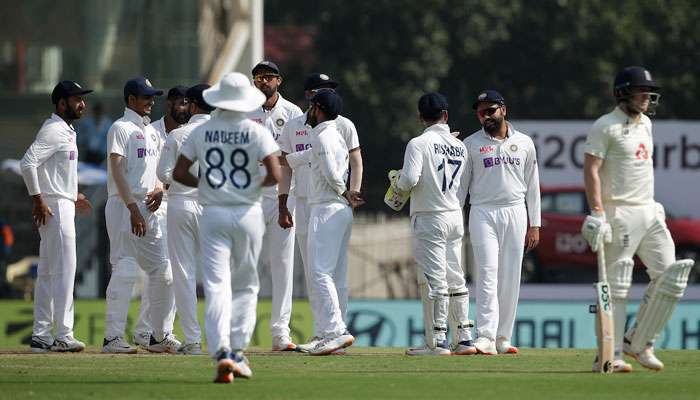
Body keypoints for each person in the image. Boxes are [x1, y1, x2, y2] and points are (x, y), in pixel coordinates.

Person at [582, 66, 695, 372]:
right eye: (640, 92)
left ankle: (640, 342)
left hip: (649, 210)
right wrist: (597, 212)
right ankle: (609, 353)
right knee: (618, 284)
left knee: (671, 276)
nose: (647, 97)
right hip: (619, 212)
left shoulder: (645, 123)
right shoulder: (605, 126)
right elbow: (591, 170)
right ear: (623, 93)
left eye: (648, 92)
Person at [172, 72, 281, 382]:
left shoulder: (202, 131)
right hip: (247, 212)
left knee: (217, 284)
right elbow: (275, 174)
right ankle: (236, 352)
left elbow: (179, 173)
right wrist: (251, 187)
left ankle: (220, 351)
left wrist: (206, 184)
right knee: (246, 284)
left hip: (213, 212)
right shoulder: (255, 131)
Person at [277, 73, 363, 353]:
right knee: (332, 273)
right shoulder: (325, 136)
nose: (309, 112)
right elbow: (293, 159)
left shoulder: (325, 138)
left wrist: (345, 192)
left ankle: (335, 330)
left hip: (327, 207)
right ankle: (330, 332)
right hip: (334, 210)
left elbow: (331, 175)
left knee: (319, 272)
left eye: (313, 108)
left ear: (320, 109)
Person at [388, 93, 474, 356]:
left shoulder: (418, 143)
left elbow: (409, 180)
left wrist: (396, 181)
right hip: (455, 216)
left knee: (436, 281)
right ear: (445, 115)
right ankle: (465, 338)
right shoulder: (460, 146)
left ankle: (438, 342)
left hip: (430, 216)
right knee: (456, 277)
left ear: (420, 117)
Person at [102, 76, 180, 354]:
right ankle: (112, 339)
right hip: (125, 205)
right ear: (130, 100)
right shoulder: (120, 128)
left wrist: (159, 190)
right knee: (124, 268)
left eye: (152, 97)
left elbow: (159, 171)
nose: (150, 102)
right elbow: (117, 170)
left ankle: (157, 336)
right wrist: (133, 208)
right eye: (145, 97)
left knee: (164, 272)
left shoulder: (151, 131)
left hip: (149, 207)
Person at [459, 90, 541, 355]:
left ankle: (503, 337)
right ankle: (485, 336)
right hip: (483, 211)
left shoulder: (525, 143)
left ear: (503, 110)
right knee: (487, 273)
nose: (486, 116)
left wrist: (535, 224)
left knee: (510, 276)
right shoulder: (471, 144)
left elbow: (533, 186)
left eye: (490, 110)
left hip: (515, 211)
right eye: (481, 112)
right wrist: (455, 215)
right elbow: (461, 187)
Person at [19, 80, 93, 352]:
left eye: (82, 98)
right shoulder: (53, 130)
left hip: (61, 203)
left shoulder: (65, 130)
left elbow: (54, 171)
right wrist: (38, 200)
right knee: (64, 271)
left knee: (50, 272)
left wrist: (74, 196)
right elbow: (27, 163)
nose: (82, 103)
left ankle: (41, 334)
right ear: (62, 103)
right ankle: (63, 334)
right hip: (54, 207)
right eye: (76, 99)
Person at [246, 61, 303, 351]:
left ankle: (281, 333)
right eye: (258, 78)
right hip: (250, 198)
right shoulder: (244, 111)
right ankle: (240, 331)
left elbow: (295, 157)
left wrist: (273, 158)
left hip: (284, 197)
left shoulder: (293, 113)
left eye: (268, 77)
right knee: (247, 265)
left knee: (282, 265)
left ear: (279, 81)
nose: (263, 82)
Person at [156, 84, 214, 355]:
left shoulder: (179, 134)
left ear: (192, 105)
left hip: (181, 204)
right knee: (217, 274)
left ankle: (192, 340)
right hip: (215, 207)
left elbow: (164, 172)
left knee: (184, 273)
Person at [131, 85, 188, 349]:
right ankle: (154, 331)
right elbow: (147, 170)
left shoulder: (192, 134)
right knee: (162, 271)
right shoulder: (150, 131)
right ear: (170, 104)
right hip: (154, 206)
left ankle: (149, 330)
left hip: (178, 203)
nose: (185, 108)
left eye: (189, 103)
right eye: (181, 103)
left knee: (169, 272)